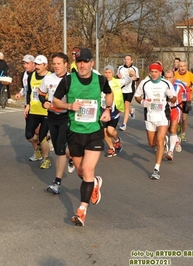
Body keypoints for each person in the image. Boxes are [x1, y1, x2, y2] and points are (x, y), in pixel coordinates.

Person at [53, 48, 113, 226]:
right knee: (81, 172)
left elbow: (109, 94)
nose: (82, 65)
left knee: (87, 170)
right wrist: (69, 106)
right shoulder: (68, 80)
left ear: (91, 63)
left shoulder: (100, 80)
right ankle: (95, 182)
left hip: (94, 132)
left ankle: (82, 210)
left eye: (85, 61)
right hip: (74, 132)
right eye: (79, 61)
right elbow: (56, 100)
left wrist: (108, 109)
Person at [134, 63, 176, 180]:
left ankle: (156, 169)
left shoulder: (166, 83)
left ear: (160, 72)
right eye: (152, 71)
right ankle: (162, 142)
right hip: (150, 116)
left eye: (156, 72)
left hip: (163, 115)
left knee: (159, 140)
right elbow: (137, 96)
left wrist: (170, 95)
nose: (153, 74)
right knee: (152, 144)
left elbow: (174, 99)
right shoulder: (144, 83)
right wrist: (142, 102)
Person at [39, 52, 72, 194]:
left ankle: (57, 182)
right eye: (54, 64)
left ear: (66, 64)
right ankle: (70, 157)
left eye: (59, 63)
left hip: (67, 116)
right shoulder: (48, 78)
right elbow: (40, 93)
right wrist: (44, 102)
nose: (56, 66)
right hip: (52, 116)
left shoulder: (72, 79)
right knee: (61, 148)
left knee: (60, 148)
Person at [24, 55, 51, 169]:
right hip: (33, 110)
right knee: (29, 135)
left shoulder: (51, 77)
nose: (37, 66)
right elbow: (29, 92)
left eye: (40, 64)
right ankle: (39, 146)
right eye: (36, 64)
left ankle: (46, 159)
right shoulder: (31, 76)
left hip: (46, 112)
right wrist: (27, 105)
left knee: (42, 135)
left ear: (45, 65)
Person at [102, 65, 131, 157]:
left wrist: (130, 75)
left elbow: (127, 80)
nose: (107, 74)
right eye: (106, 72)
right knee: (104, 131)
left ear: (113, 73)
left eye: (109, 72)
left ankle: (117, 139)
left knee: (110, 130)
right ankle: (111, 148)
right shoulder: (100, 82)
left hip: (115, 109)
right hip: (102, 109)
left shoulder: (117, 82)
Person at [163, 70, 185, 160]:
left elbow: (186, 95)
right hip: (164, 109)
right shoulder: (161, 84)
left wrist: (185, 107)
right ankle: (175, 140)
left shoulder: (179, 85)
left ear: (174, 77)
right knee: (166, 130)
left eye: (170, 77)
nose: (168, 79)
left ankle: (171, 152)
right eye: (166, 77)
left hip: (176, 108)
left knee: (172, 129)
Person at [117, 55, 140, 131]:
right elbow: (117, 76)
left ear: (131, 61)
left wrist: (134, 78)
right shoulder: (120, 68)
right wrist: (119, 77)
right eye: (125, 59)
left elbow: (137, 79)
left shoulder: (135, 69)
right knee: (123, 106)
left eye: (128, 59)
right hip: (122, 89)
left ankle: (124, 124)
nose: (126, 60)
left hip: (130, 89)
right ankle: (131, 111)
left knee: (126, 105)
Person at [175, 60, 193, 142]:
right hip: (177, 99)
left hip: (186, 99)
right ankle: (178, 125)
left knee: (184, 118)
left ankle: (183, 134)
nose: (182, 68)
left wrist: (191, 91)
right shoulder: (175, 74)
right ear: (178, 67)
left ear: (186, 66)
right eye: (180, 66)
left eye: (184, 66)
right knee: (178, 118)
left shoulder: (190, 75)